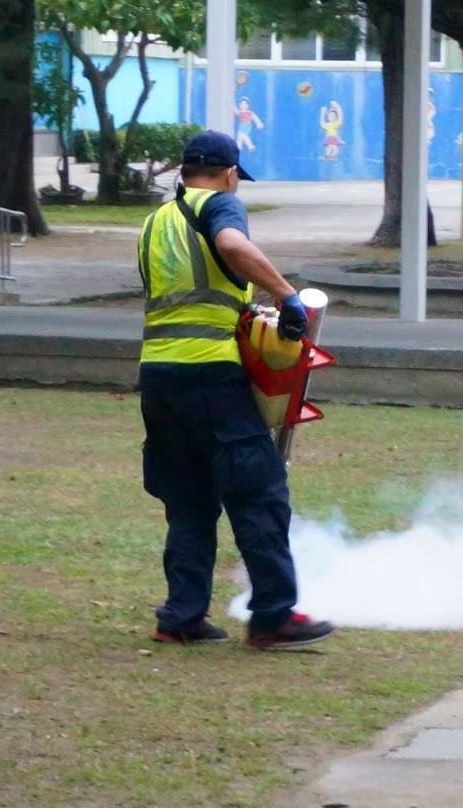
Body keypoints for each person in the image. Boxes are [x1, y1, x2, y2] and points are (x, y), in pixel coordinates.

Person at [136, 130, 334, 650]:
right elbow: (229, 244)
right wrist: (285, 294)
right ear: (228, 174)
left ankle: (182, 616)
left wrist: (246, 310)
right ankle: (273, 617)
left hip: (158, 376)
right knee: (258, 490)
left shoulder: (155, 222)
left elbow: (190, 295)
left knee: (189, 500)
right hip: (210, 375)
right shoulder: (220, 205)